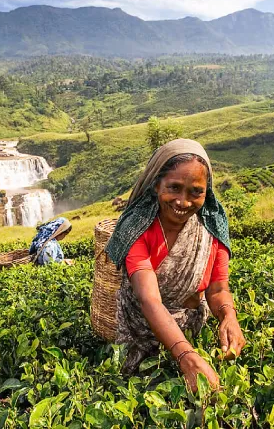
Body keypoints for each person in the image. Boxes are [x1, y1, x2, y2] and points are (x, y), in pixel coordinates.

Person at [105, 139, 246, 392]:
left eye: (196, 192)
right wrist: (187, 357)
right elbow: (150, 300)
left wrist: (228, 317)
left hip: (191, 329)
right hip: (142, 330)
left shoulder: (211, 230)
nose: (183, 201)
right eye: (174, 188)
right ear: (157, 185)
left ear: (207, 191)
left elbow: (217, 289)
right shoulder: (137, 231)